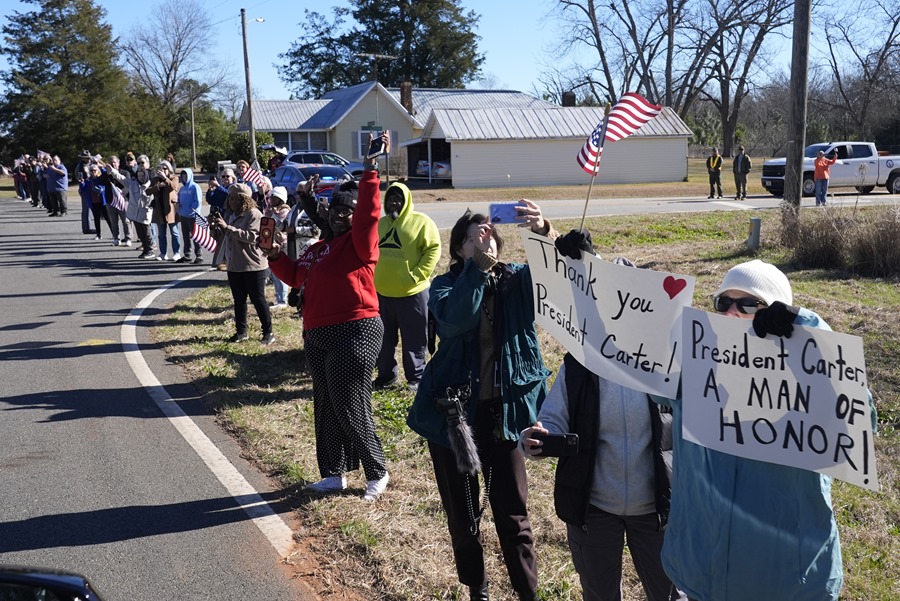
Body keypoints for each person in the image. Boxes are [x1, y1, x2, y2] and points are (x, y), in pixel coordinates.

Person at [653, 259, 876, 601]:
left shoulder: (807, 376)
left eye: (748, 304)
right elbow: (636, 358)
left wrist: (809, 331)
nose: (732, 313)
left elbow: (859, 419)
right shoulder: (699, 366)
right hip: (703, 571)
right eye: (723, 303)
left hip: (786, 582)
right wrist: (582, 265)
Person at [518, 242, 684, 601]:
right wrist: (540, 435)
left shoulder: (667, 363)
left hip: (657, 508)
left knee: (670, 594)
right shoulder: (579, 362)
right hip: (594, 509)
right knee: (599, 594)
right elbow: (552, 417)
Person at [406, 202, 554, 601]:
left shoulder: (517, 280)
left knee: (514, 516)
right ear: (459, 249)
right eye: (476, 237)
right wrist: (476, 272)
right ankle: (478, 587)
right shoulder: (445, 285)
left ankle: (528, 594)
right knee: (464, 516)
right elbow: (456, 319)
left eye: (491, 234)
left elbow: (554, 279)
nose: (486, 241)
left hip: (504, 416)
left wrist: (543, 232)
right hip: (455, 419)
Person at [266, 138, 390, 502]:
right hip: (316, 332)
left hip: (356, 329)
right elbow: (296, 276)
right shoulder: (320, 248)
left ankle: (378, 470)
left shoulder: (360, 244)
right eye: (336, 208)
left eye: (347, 210)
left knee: (349, 400)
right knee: (326, 403)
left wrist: (370, 170)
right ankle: (334, 474)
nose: (341, 214)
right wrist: (273, 253)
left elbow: (369, 213)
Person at [372, 182, 441, 392]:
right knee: (384, 339)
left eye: (398, 198)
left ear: (407, 201)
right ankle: (386, 376)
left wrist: (417, 275)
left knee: (415, 339)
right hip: (383, 293)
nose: (394, 202)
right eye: (390, 198)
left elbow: (433, 249)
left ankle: (416, 378)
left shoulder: (421, 223)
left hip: (413, 293)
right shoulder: (380, 224)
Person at [209, 183, 274, 346]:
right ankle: (241, 332)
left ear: (243, 198)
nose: (230, 201)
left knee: (258, 299)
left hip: (253, 265)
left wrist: (228, 227)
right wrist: (214, 228)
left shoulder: (254, 214)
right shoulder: (230, 215)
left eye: (234, 197)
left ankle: (268, 333)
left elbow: (252, 237)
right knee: (239, 300)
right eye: (229, 197)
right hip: (235, 265)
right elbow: (223, 237)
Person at [147, 160, 182, 261]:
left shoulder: (174, 178)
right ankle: (163, 253)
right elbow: (147, 191)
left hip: (170, 210)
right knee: (161, 234)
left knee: (174, 232)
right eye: (160, 168)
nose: (162, 170)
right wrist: (158, 186)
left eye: (165, 168)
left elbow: (174, 187)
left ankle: (177, 253)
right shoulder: (155, 180)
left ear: (169, 169)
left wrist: (165, 179)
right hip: (159, 210)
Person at [176, 167, 205, 264]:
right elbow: (179, 199)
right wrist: (178, 206)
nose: (184, 177)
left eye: (186, 175)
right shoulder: (182, 188)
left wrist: (193, 209)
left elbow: (198, 201)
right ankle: (187, 255)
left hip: (193, 216)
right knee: (185, 236)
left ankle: (199, 255)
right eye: (183, 175)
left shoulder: (195, 187)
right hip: (183, 216)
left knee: (196, 236)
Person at [87, 162, 114, 240]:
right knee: (96, 218)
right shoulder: (89, 180)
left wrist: (102, 168)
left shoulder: (101, 178)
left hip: (103, 201)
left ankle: (114, 234)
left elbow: (106, 174)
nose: (93, 172)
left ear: (98, 171)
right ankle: (98, 234)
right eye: (91, 170)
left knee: (108, 218)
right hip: (94, 201)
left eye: (95, 170)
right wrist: (81, 183)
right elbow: (83, 190)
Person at [74, 150, 95, 234]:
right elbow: (81, 178)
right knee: (87, 208)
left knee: (89, 207)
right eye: (87, 158)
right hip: (86, 188)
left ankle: (88, 226)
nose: (88, 159)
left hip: (89, 188)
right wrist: (87, 172)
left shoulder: (87, 165)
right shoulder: (81, 167)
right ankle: (87, 227)